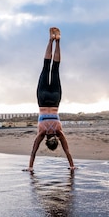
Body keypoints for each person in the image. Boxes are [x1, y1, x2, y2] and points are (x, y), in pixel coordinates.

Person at [27, 27, 75, 172]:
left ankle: (57, 41)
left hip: (54, 100)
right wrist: (30, 166)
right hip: (42, 99)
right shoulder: (41, 132)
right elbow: (33, 151)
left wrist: (72, 164)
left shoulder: (59, 131)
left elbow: (67, 151)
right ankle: (51, 39)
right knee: (46, 67)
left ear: (56, 140)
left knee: (55, 68)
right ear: (47, 141)